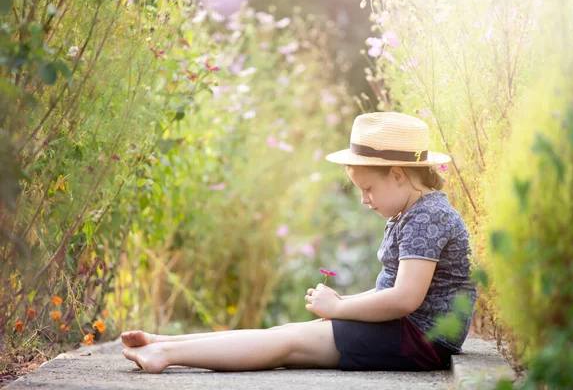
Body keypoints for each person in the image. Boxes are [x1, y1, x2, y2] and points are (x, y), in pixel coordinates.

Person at [120, 112, 478, 373]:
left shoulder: (428, 216)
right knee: (285, 332)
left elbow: (404, 298)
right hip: (406, 331)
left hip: (420, 341)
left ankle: (164, 355)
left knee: (287, 344)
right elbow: (394, 292)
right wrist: (346, 301)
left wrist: (338, 309)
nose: (365, 200)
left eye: (369, 189)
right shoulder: (411, 210)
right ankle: (164, 342)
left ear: (398, 175)